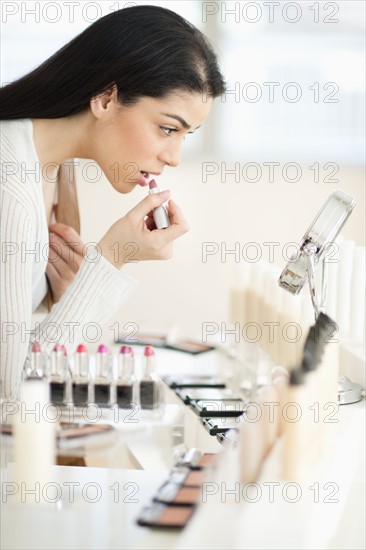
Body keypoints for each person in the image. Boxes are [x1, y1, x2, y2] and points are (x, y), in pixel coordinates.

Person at [0, 5, 226, 400]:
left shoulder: (54, 170)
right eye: (167, 128)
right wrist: (110, 259)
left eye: (185, 135)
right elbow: (14, 403)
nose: (173, 156)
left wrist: (67, 298)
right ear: (106, 98)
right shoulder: (11, 189)